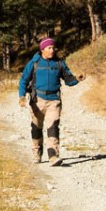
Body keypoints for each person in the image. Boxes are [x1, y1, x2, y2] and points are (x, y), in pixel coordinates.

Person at [17, 36, 84, 165]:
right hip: (37, 100)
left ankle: (53, 155)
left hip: (54, 101)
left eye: (53, 48)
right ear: (43, 49)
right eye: (49, 48)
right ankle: (37, 152)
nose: (52, 50)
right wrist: (21, 97)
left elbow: (68, 80)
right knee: (36, 128)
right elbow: (23, 81)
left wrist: (78, 79)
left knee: (53, 127)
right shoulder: (34, 63)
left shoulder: (59, 63)